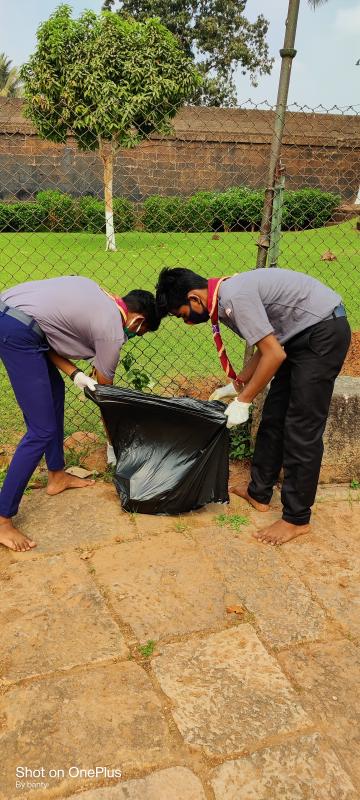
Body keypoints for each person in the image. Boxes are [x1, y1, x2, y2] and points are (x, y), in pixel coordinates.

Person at [156, 266, 351, 545]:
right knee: (273, 416)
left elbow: (273, 353)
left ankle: (296, 519)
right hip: (296, 335)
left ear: (195, 299)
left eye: (182, 315)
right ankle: (259, 492)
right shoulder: (224, 297)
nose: (186, 323)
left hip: (322, 332)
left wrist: (243, 401)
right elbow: (267, 346)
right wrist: (238, 384)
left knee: (301, 427)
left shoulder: (234, 298)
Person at [0, 276, 160, 552]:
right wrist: (115, 443)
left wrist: (75, 374)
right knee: (41, 430)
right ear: (137, 322)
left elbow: (43, 333)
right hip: (15, 331)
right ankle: (2, 519)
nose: (132, 336)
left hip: (15, 320)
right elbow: (107, 399)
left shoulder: (96, 291)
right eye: (139, 332)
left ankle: (56, 476)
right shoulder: (112, 331)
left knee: (54, 395)